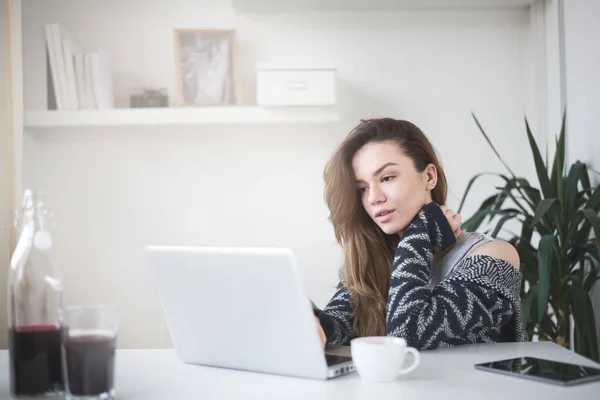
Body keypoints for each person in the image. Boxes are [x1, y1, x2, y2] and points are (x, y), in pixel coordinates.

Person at [313, 118, 524, 350]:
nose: (373, 198)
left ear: (429, 177)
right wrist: (313, 322)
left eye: (387, 178)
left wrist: (420, 232)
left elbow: (409, 335)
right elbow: (335, 331)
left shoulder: (494, 256)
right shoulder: (370, 260)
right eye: (362, 188)